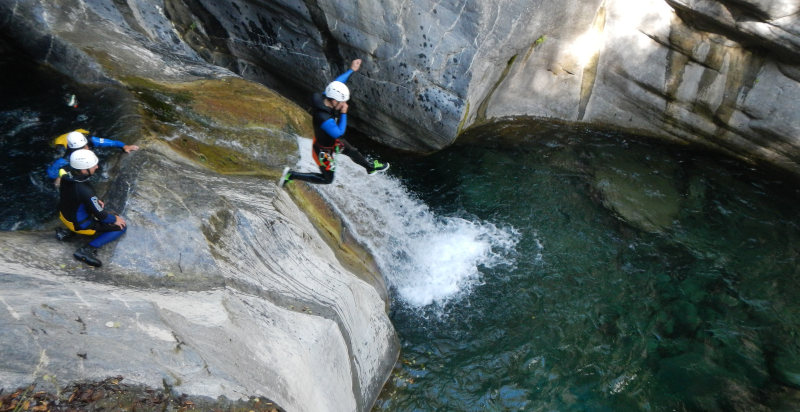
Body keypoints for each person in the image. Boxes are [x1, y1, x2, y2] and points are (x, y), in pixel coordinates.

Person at [278, 58, 388, 186]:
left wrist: (351, 70)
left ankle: (370, 167)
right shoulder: (323, 117)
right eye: (342, 102)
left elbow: (337, 82)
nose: (344, 104)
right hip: (324, 150)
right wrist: (343, 113)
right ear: (334, 101)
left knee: (352, 151)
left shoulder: (325, 97)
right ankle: (291, 174)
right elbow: (339, 133)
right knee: (327, 179)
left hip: (332, 141)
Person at [57, 149, 127, 267]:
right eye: (93, 165)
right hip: (79, 226)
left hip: (63, 216)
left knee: (88, 206)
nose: (97, 167)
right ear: (84, 170)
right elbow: (102, 216)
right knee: (121, 227)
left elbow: (76, 194)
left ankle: (67, 233)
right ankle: (86, 250)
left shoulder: (65, 173)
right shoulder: (85, 191)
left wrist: (94, 200)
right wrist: (115, 219)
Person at [47, 129, 139, 188]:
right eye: (81, 148)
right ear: (73, 149)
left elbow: (111, 143)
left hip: (79, 133)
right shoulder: (67, 158)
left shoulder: (92, 140)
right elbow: (52, 171)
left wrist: (125, 146)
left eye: (85, 146)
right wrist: (58, 178)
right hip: (61, 141)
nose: (86, 148)